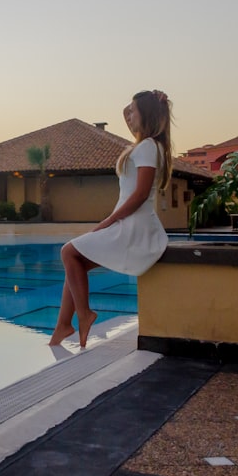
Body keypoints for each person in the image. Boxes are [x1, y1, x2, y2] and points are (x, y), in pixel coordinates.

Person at [49, 90, 174, 348]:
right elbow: (127, 112)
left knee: (68, 252)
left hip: (135, 227)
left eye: (133, 111)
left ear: (146, 115)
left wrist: (108, 222)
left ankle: (83, 315)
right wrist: (150, 101)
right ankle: (64, 325)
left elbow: (139, 195)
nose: (128, 116)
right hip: (129, 223)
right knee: (75, 263)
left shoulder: (149, 147)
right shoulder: (146, 146)